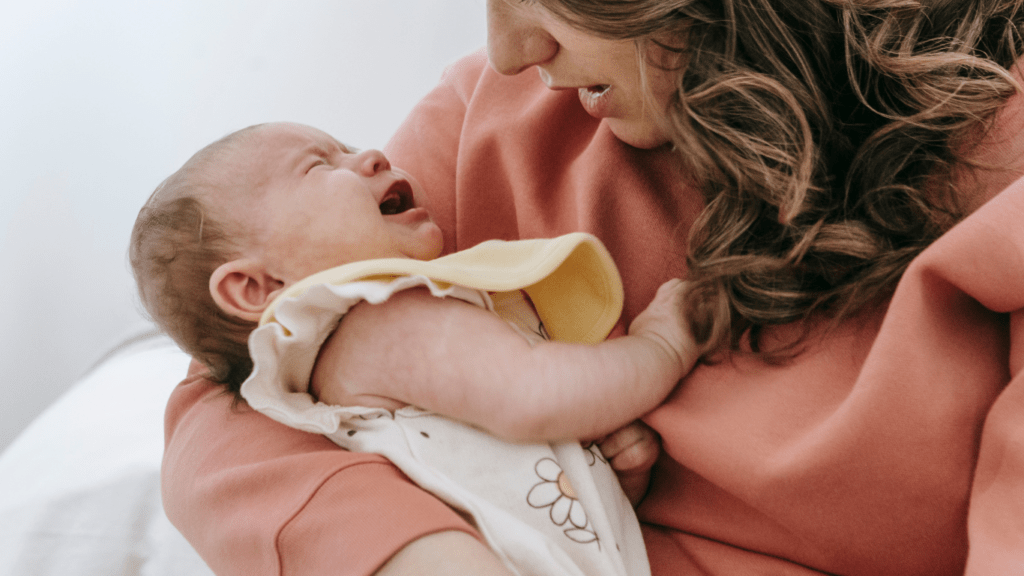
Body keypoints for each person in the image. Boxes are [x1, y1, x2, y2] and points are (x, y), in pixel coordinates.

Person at [159, 0, 1024, 575]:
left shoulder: (1000, 153)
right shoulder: (496, 115)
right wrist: (416, 553)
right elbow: (238, 382)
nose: (508, 49)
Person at [130, 121, 697, 576]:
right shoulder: (379, 320)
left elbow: (496, 481)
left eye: (348, 146)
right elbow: (538, 396)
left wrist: (604, 479)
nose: (373, 155)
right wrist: (664, 345)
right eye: (319, 166)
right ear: (257, 288)